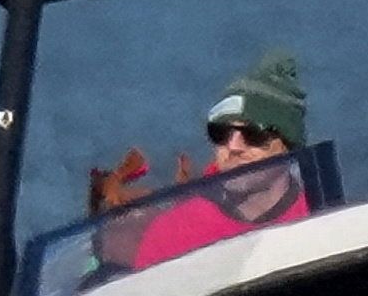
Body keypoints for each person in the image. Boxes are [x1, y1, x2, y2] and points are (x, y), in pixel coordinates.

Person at [121, 50, 316, 269]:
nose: (233, 147)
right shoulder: (173, 233)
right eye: (220, 133)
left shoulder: (321, 217)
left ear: (288, 147)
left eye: (253, 135)